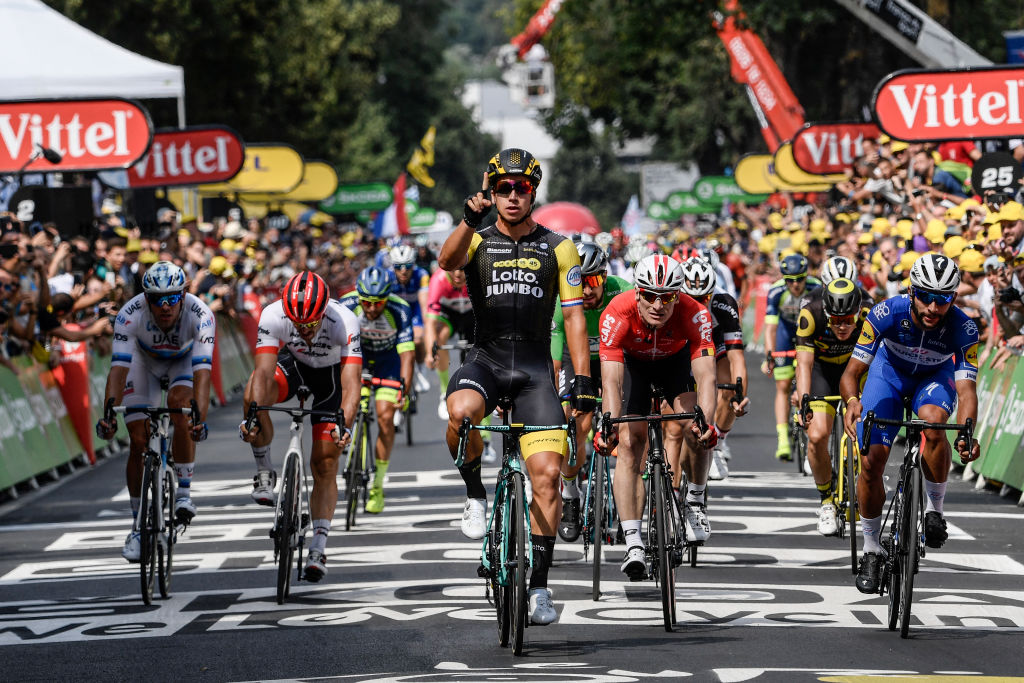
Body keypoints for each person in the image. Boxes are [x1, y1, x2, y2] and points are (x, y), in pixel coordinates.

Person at [437, 147, 596, 626]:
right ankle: (475, 494)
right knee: (461, 414)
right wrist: (467, 219)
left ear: (533, 191)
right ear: (491, 190)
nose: (510, 196)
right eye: (501, 187)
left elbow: (573, 318)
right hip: (485, 360)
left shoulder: (559, 247)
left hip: (533, 369)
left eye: (520, 188)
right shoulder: (478, 239)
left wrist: (583, 382)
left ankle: (541, 587)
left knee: (547, 474)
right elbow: (448, 261)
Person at [842, 254, 981, 594]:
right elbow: (851, 374)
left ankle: (935, 510)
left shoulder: (964, 328)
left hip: (933, 378)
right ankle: (872, 550)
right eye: (926, 297)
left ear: (954, 298)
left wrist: (967, 432)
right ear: (912, 291)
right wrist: (852, 402)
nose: (934, 307)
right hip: (888, 376)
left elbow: (966, 392)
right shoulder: (885, 313)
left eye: (943, 299)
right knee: (871, 461)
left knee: (934, 423)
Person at [595, 254, 718, 580]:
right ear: (637, 293)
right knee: (629, 439)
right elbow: (611, 380)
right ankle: (633, 541)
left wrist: (707, 422)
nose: (658, 305)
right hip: (633, 366)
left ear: (679, 296)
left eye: (667, 297)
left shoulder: (696, 314)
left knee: (695, 425)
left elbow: (706, 377)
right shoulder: (616, 312)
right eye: (649, 295)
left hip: (674, 364)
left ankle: (694, 500)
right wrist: (608, 422)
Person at [239, 271, 361, 582]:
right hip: (294, 367)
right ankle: (264, 469)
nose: (305, 330)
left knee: (325, 462)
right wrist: (253, 414)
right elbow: (265, 373)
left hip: (331, 379)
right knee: (253, 388)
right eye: (297, 324)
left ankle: (319, 545)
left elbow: (350, 386)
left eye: (310, 324)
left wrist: (344, 424)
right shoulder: (272, 314)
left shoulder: (344, 320)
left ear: (323, 311)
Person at [95, 262, 214, 563]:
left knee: (181, 406)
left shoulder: (201, 315)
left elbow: (202, 375)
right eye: (157, 299)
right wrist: (109, 413)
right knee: (137, 439)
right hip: (142, 362)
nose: (165, 306)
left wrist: (199, 417)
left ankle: (184, 494)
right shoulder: (129, 313)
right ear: (145, 298)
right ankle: (137, 526)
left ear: (184, 295)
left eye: (173, 298)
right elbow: (119, 369)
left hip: (183, 363)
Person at [550, 241, 631, 542]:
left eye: (594, 280)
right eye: (580, 282)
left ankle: (629, 507)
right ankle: (570, 494)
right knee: (574, 427)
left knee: (626, 429)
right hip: (576, 360)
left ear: (605, 276)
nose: (586, 290)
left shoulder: (621, 291)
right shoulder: (561, 302)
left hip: (616, 358)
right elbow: (555, 362)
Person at [794, 277, 868, 535]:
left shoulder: (871, 314)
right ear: (826, 313)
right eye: (836, 320)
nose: (843, 326)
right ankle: (826, 500)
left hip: (856, 369)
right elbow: (804, 364)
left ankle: (862, 479)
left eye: (849, 319)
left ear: (859, 312)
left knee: (867, 427)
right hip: (822, 371)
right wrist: (804, 400)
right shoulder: (810, 315)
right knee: (817, 436)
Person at [339, 266, 415, 514]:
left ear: (387, 297)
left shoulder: (400, 308)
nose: (372, 308)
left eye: (378, 303)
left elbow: (407, 355)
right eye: (367, 303)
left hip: (388, 364)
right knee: (348, 408)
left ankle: (377, 487)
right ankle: (350, 449)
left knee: (384, 417)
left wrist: (404, 390)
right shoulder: (347, 305)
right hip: (357, 360)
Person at [672, 257, 748, 483]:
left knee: (728, 388)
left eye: (703, 298)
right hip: (682, 343)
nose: (698, 303)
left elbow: (737, 357)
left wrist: (740, 393)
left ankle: (719, 443)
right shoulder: (672, 302)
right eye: (692, 298)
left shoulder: (724, 302)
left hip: (714, 342)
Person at [763, 253, 821, 460]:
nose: (795, 284)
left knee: (809, 385)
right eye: (790, 280)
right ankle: (783, 439)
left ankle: (810, 437)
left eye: (800, 279)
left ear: (807, 276)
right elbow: (770, 328)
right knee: (783, 386)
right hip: (786, 334)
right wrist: (769, 355)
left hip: (809, 332)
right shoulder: (777, 291)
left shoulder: (816, 287)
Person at [423, 266, 473, 421]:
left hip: (471, 313)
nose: (457, 273)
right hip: (449, 314)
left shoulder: (477, 274)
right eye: (453, 270)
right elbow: (430, 322)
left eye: (463, 269)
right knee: (439, 336)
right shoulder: (438, 280)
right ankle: (445, 392)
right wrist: (430, 352)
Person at [388, 244, 431, 390]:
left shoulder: (422, 275)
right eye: (398, 267)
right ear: (393, 266)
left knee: (418, 340)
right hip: (396, 311)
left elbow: (424, 304)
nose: (403, 271)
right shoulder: (387, 277)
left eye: (408, 266)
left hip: (415, 310)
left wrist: (427, 328)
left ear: (413, 264)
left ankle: (420, 369)